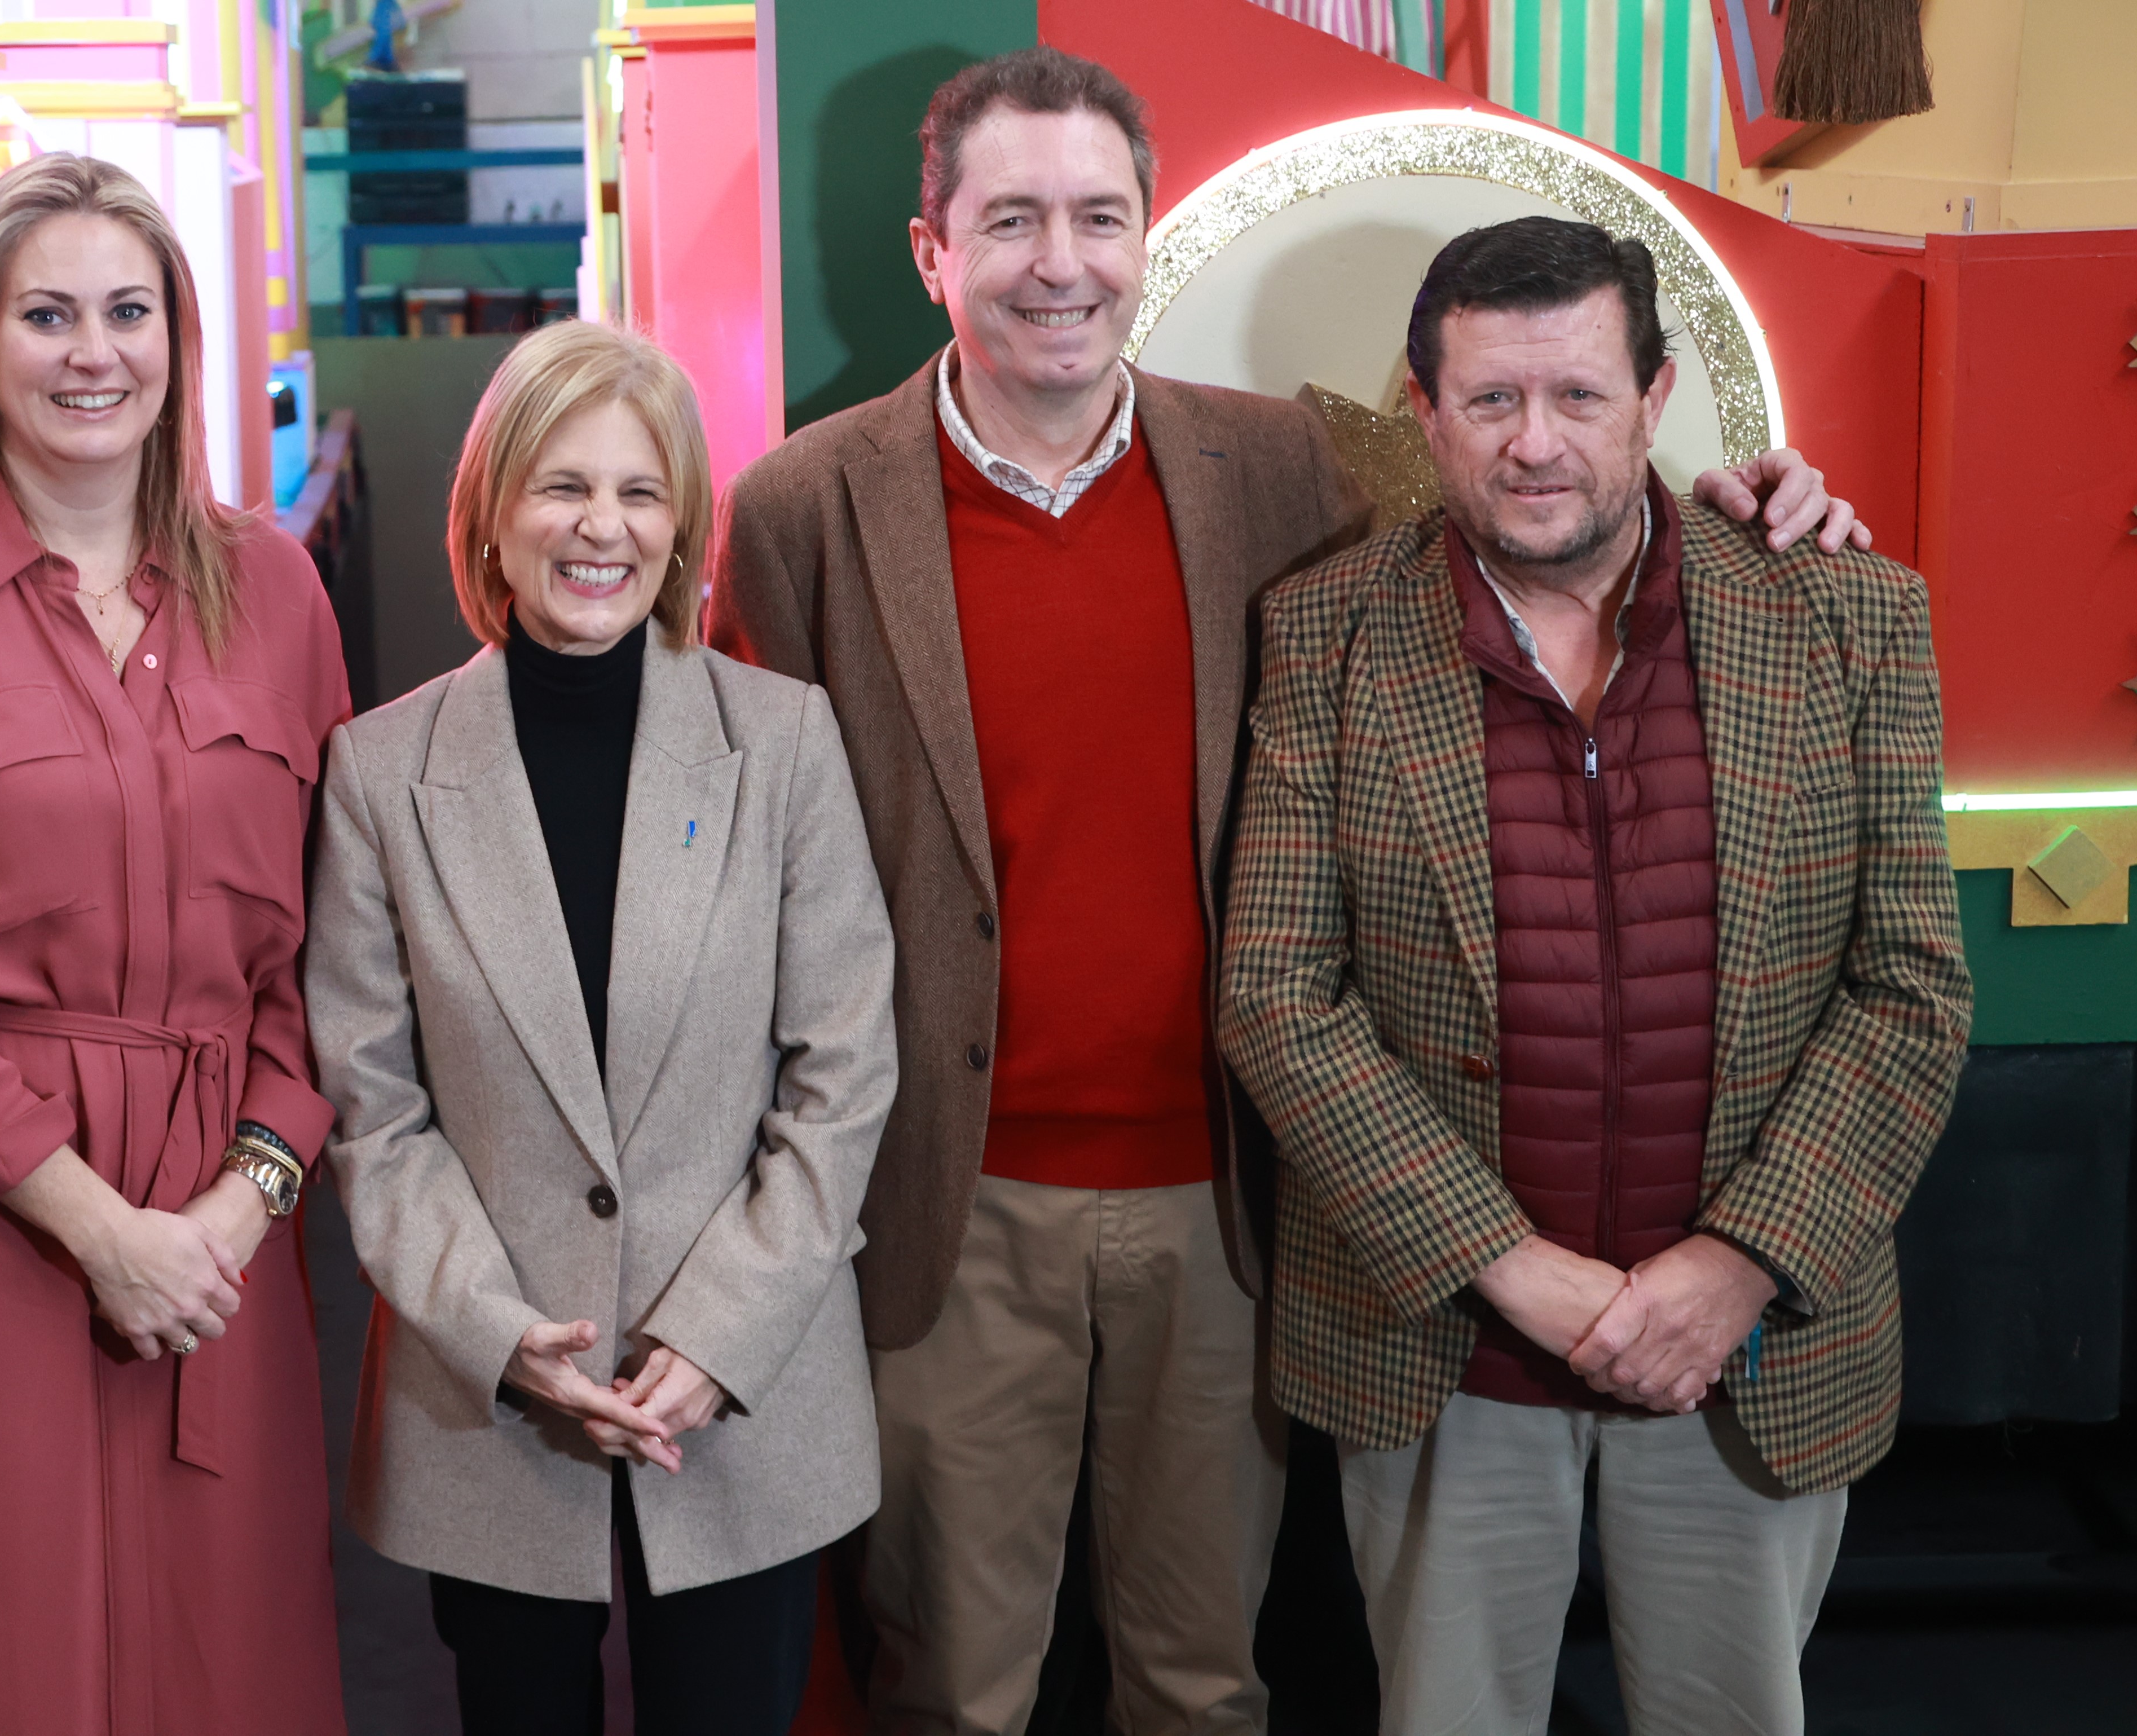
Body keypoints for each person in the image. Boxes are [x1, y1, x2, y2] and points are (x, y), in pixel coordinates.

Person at [711, 46, 1871, 1736]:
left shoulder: (1284, 473)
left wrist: (1760, 497)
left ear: (1141, 231)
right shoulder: (802, 508)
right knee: (951, 1686)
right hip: (945, 1207)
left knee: (1206, 1679)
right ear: (929, 253)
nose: (1063, 259)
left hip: (1232, 1202)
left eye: (1101, 214)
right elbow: (761, 866)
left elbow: (1537, 502)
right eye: (1012, 218)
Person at [1215, 215, 1971, 1734]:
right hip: (1450, 1348)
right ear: (1424, 411)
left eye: (1577, 396)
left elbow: (1913, 990)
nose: (1534, 444)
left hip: (1743, 1356)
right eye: (1490, 402)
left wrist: (1732, 1266)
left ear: (1658, 393)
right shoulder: (1325, 634)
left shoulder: (1849, 615)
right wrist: (1526, 1274)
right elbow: (1281, 996)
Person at [0, 153, 349, 1734]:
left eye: (128, 310)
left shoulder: (280, 591)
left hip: (231, 1229)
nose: (94, 351)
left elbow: (337, 952)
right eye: (47, 314)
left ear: (177, 339)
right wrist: (98, 1226)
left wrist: (241, 1202)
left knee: (229, 1649)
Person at [305, 320, 898, 1735]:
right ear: (491, 519)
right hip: (495, 1400)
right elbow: (377, 1111)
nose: (602, 529)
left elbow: (845, 1072)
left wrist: (717, 1334)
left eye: (641, 493)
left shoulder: (784, 742)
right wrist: (508, 1338)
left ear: (684, 524)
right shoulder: (382, 772)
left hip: (743, 1394)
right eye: (562, 487)